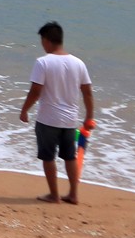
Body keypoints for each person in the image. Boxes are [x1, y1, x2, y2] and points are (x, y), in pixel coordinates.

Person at [19, 20, 94, 205]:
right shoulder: (78, 63)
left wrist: (24, 110)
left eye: (42, 41)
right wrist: (89, 116)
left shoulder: (43, 62)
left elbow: (36, 91)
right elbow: (87, 92)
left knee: (48, 157)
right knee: (70, 157)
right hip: (70, 120)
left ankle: (54, 195)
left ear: (46, 40)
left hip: (48, 119)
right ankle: (73, 194)